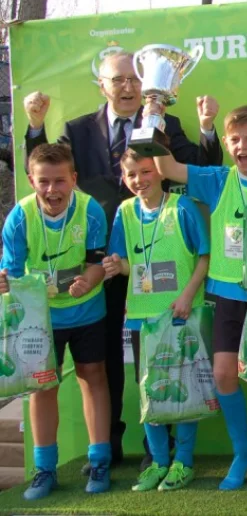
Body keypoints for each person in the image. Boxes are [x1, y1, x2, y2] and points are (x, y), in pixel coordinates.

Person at [23, 52, 223, 467]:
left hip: (157, 264)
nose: (129, 87)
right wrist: (36, 127)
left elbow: (202, 168)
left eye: (136, 78)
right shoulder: (76, 131)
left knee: (160, 354)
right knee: (103, 363)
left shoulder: (166, 125)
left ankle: (162, 451)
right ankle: (108, 449)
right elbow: (47, 170)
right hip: (96, 262)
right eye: (119, 80)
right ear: (103, 85)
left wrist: (206, 129)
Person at [152, 105, 247, 491]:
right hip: (226, 292)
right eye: (235, 139)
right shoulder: (216, 179)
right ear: (227, 143)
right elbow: (168, 169)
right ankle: (243, 451)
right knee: (225, 375)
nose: (242, 146)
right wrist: (153, 116)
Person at [0, 144, 111, 499]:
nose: (52, 190)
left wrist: (89, 280)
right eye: (44, 182)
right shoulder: (20, 216)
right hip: (41, 315)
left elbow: (97, 261)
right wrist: (4, 281)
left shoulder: (91, 210)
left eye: (59, 181)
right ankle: (44, 469)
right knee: (42, 386)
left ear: (73, 180)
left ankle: (99, 462)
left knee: (93, 377)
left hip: (86, 309)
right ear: (31, 180)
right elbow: (11, 273)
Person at [102, 149, 210, 491]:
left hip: (180, 314)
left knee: (186, 389)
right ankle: (159, 462)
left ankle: (184, 462)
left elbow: (205, 257)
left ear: (160, 172)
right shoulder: (124, 212)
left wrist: (188, 296)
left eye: (146, 172)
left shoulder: (182, 208)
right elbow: (124, 263)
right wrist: (115, 267)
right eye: (132, 174)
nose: (139, 180)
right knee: (151, 390)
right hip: (142, 320)